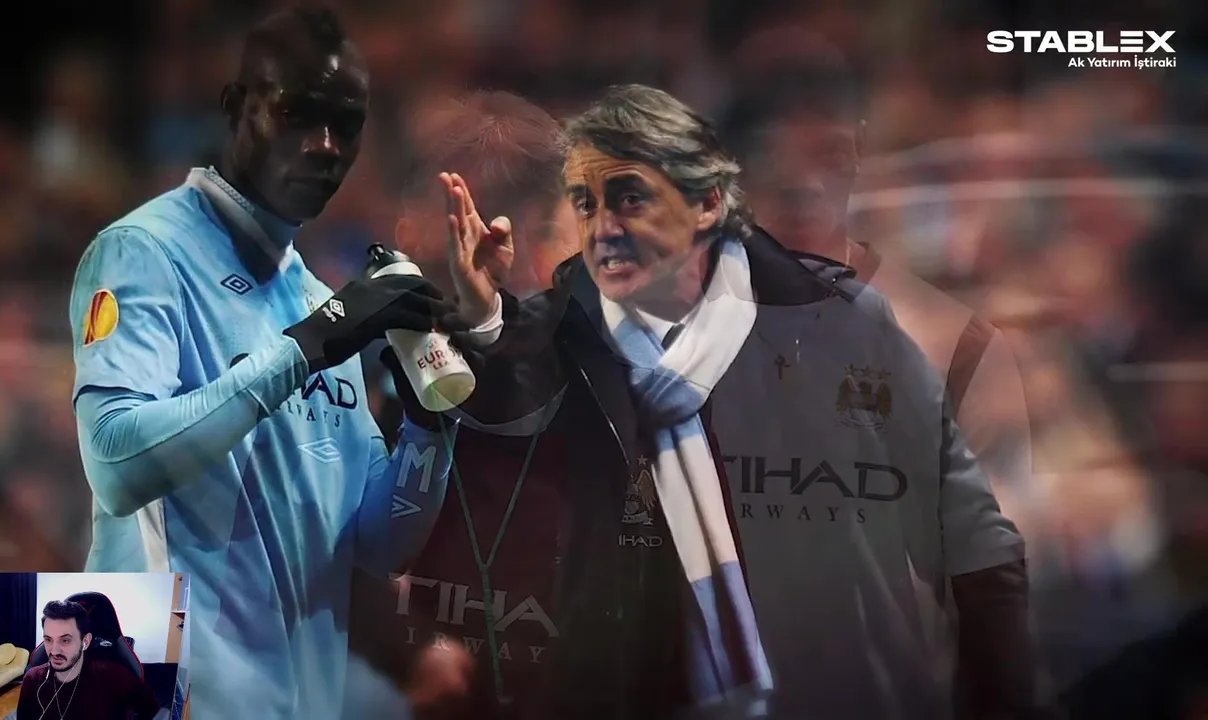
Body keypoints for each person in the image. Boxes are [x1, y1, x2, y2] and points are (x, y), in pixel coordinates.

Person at [447, 83, 1039, 719]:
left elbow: (972, 541)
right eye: (586, 204)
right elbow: (495, 438)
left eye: (630, 199)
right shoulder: (559, 334)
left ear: (707, 203)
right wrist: (482, 321)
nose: (603, 230)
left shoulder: (840, 326)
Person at [67, 7, 459, 719]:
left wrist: (426, 427)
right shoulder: (144, 252)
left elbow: (378, 546)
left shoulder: (320, 302)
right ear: (234, 107)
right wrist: (308, 347)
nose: (324, 145)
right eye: (297, 113)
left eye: (346, 124)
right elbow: (116, 466)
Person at [348, 90, 657, 720]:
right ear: (407, 229)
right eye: (459, 222)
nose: (490, 260)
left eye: (535, 229)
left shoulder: (625, 385)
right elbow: (320, 550)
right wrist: (403, 649)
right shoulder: (357, 376)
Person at [722, 29, 1035, 533]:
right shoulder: (676, 328)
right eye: (777, 160)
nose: (805, 184)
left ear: (860, 151)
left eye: (825, 156)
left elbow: (1011, 529)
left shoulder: (954, 342)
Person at [17, 600, 161, 720]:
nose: (54, 651)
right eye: (48, 640)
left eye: (65, 640)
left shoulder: (114, 676)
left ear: (85, 642)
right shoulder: (33, 679)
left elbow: (151, 709)